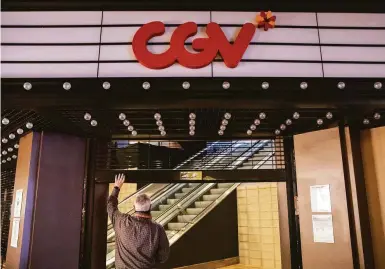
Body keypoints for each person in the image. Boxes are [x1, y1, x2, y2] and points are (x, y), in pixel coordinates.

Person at [107, 174, 170, 269]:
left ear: (134, 207)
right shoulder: (158, 229)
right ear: (150, 207)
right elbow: (163, 256)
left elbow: (110, 206)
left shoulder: (122, 221)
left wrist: (117, 187)